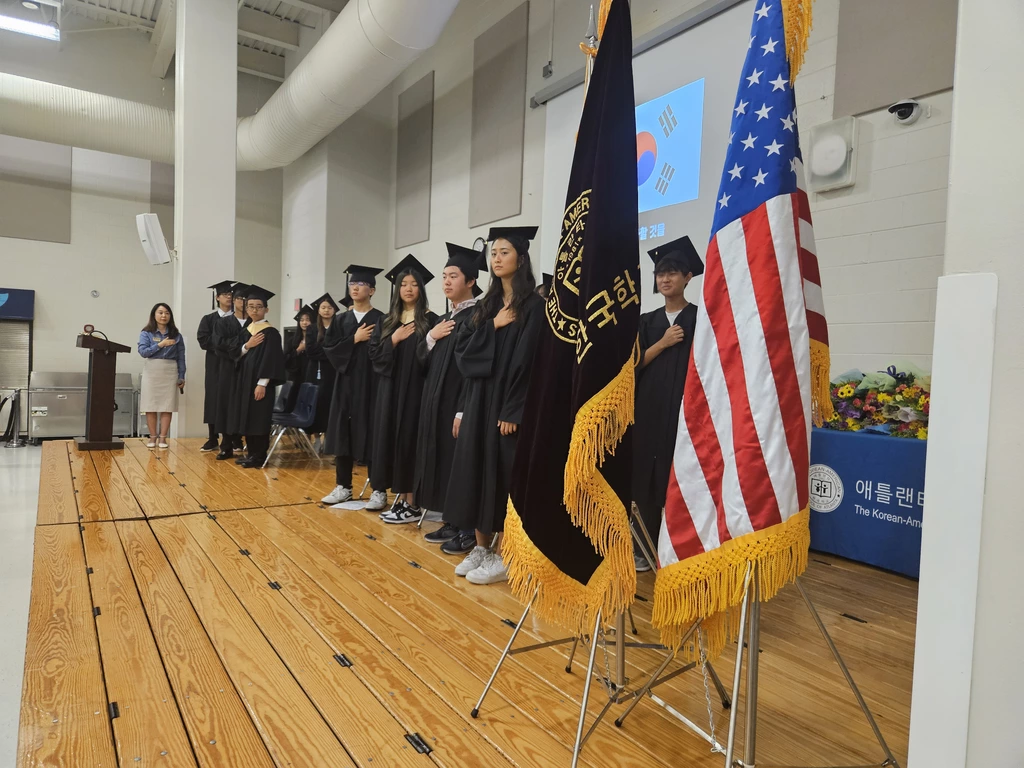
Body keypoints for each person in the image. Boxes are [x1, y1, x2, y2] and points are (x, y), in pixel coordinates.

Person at [443, 226, 545, 585]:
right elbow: (462, 352)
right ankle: (482, 548)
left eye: (504, 252)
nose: (497, 258)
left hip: (507, 404)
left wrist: (514, 409)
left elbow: (530, 361)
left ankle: (506, 554)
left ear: (520, 257)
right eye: (494, 253)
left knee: (502, 475)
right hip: (479, 400)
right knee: (474, 470)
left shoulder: (534, 306)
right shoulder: (487, 306)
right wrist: (495, 326)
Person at [633, 236, 702, 571]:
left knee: (680, 473)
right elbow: (632, 366)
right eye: (661, 273)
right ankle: (642, 545)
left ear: (688, 277)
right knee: (645, 475)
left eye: (673, 272)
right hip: (648, 409)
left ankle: (676, 545)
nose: (665, 279)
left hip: (684, 412)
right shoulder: (646, 322)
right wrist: (662, 343)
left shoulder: (701, 319)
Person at [418, 243, 486, 553]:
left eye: (453, 276)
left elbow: (472, 370)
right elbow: (423, 362)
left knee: (461, 463)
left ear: (470, 281)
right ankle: (451, 518)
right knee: (445, 459)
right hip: (437, 403)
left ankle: (467, 528)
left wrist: (462, 411)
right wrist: (431, 337)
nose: (446, 282)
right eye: (444, 276)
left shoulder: (478, 316)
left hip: (460, 403)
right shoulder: (445, 319)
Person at [368, 255, 437, 523]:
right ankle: (402, 499)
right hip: (389, 393)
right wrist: (393, 341)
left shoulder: (430, 321)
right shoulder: (387, 322)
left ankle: (412, 503)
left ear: (421, 289)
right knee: (392, 443)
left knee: (410, 443)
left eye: (414, 284)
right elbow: (374, 357)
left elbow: (432, 359)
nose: (408, 288)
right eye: (403, 284)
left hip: (416, 394)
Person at [320, 266, 385, 507]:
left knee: (373, 434)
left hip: (372, 384)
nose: (355, 287)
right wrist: (354, 340)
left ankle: (378, 489)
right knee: (344, 434)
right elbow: (329, 349)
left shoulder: (382, 318)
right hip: (345, 384)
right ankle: (343, 486)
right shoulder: (341, 320)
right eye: (352, 284)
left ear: (372, 290)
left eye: (360, 284)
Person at [230, 285, 287, 468]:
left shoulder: (271, 333)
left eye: (258, 306)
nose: (254, 310)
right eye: (251, 306)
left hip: (260, 384)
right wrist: (247, 345)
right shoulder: (247, 331)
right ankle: (251, 454)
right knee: (247, 418)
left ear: (266, 309)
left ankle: (259, 456)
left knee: (259, 420)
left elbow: (271, 360)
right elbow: (236, 353)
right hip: (245, 382)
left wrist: (262, 383)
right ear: (246, 309)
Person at [138, 302, 186, 450]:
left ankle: (163, 437)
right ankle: (152, 437)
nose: (163, 315)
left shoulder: (176, 335)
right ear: (154, 315)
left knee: (167, 406)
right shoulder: (146, 333)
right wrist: (161, 344)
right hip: (152, 370)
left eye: (166, 313)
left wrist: (182, 376)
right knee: (150, 405)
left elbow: (181, 357)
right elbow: (143, 352)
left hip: (170, 370)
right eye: (160, 312)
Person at [212, 283, 250, 460]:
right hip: (228, 369)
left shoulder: (254, 324)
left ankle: (245, 443)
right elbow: (219, 346)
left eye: (246, 299)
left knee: (246, 407)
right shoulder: (223, 323)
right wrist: (242, 347)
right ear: (234, 301)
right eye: (240, 298)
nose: (243, 302)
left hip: (249, 370)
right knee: (227, 407)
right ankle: (226, 446)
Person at [196, 281, 235, 452]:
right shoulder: (209, 319)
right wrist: (222, 347)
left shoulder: (239, 319)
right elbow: (203, 341)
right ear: (217, 297)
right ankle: (212, 438)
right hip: (214, 364)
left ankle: (233, 439)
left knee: (232, 399)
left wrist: (225, 345)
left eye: (231, 294)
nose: (229, 296)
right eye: (225, 294)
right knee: (213, 399)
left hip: (234, 364)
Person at [305, 293, 340, 451]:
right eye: (323, 307)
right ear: (318, 310)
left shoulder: (339, 327)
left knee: (330, 404)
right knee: (316, 403)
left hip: (333, 372)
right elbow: (311, 352)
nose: (326, 310)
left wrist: (327, 350)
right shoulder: (312, 328)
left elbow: (340, 350)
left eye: (329, 308)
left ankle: (328, 438)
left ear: (334, 310)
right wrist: (330, 351)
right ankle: (316, 437)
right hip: (315, 371)